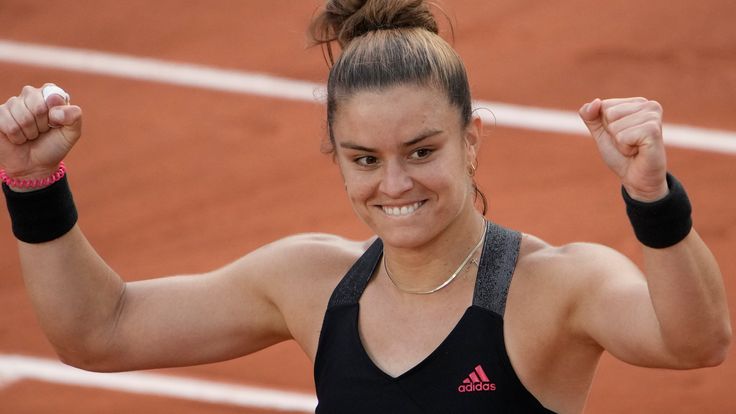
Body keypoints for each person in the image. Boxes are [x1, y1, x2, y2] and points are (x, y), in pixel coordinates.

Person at [0, 1, 731, 413]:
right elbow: (101, 332)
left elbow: (695, 341)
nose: (395, 186)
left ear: (470, 139)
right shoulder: (308, 282)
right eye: (364, 159)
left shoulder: (555, 288)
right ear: (336, 153)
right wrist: (37, 185)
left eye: (421, 151)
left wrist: (652, 200)